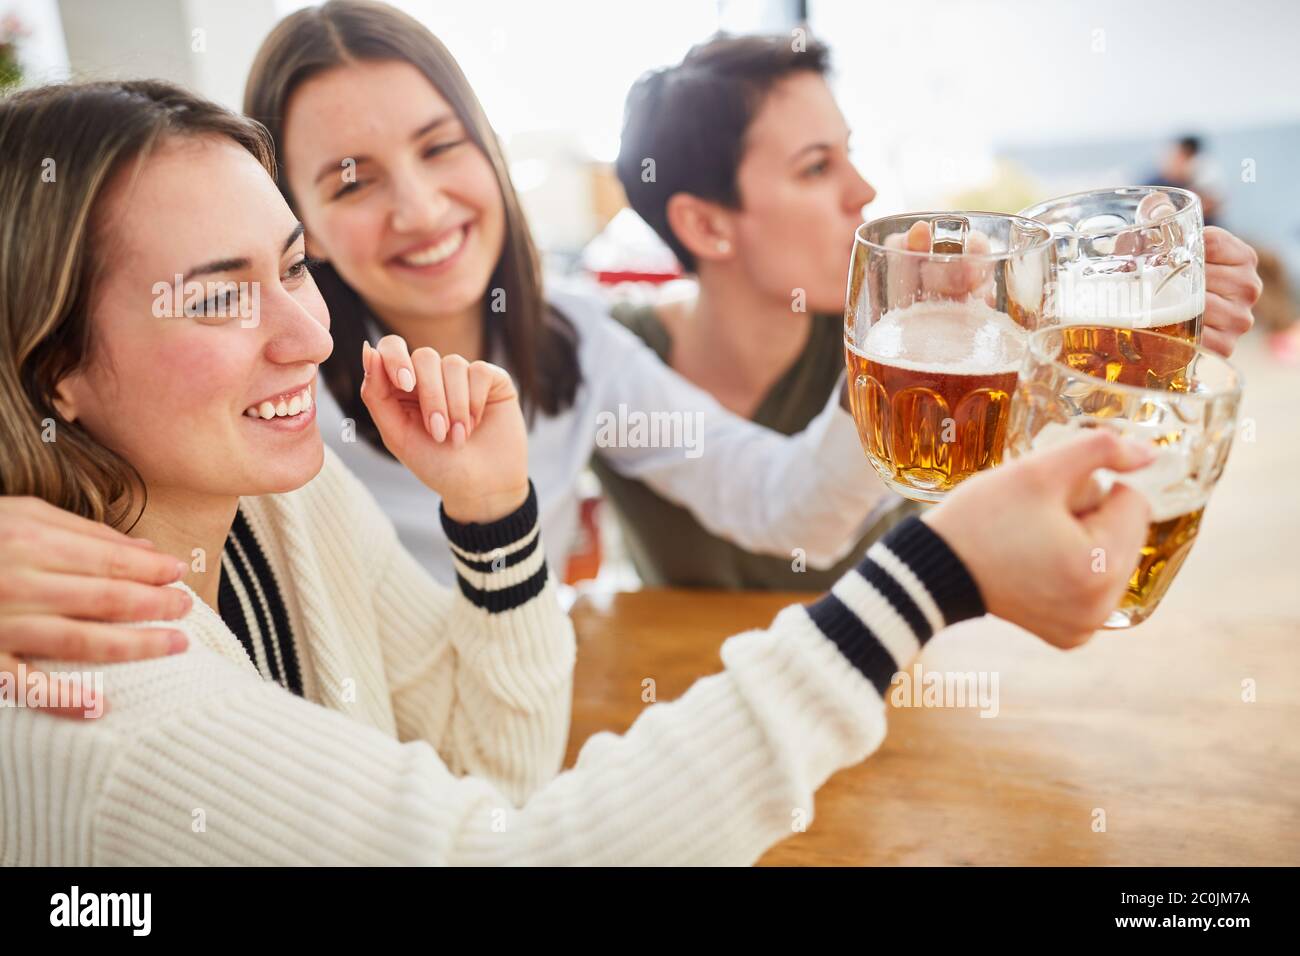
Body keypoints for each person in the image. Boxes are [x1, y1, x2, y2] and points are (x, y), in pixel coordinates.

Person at [0, 79, 1156, 864]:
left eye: (286, 266)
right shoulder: (91, 674)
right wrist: (928, 578)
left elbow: (490, 778)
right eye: (215, 294)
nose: (302, 335)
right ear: (51, 365)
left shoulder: (284, 489)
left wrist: (495, 518)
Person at [238, 0, 900, 589]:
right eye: (352, 184)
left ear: (489, 152)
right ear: (301, 225)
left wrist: (894, 352)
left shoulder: (575, 344)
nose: (420, 210)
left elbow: (793, 513)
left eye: (439, 147)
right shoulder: (263, 391)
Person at [604, 36, 1263, 588]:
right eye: (815, 168)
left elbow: (1069, 442)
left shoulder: (907, 353)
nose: (863, 190)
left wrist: (1135, 308)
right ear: (705, 226)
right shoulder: (606, 359)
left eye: (851, 153)